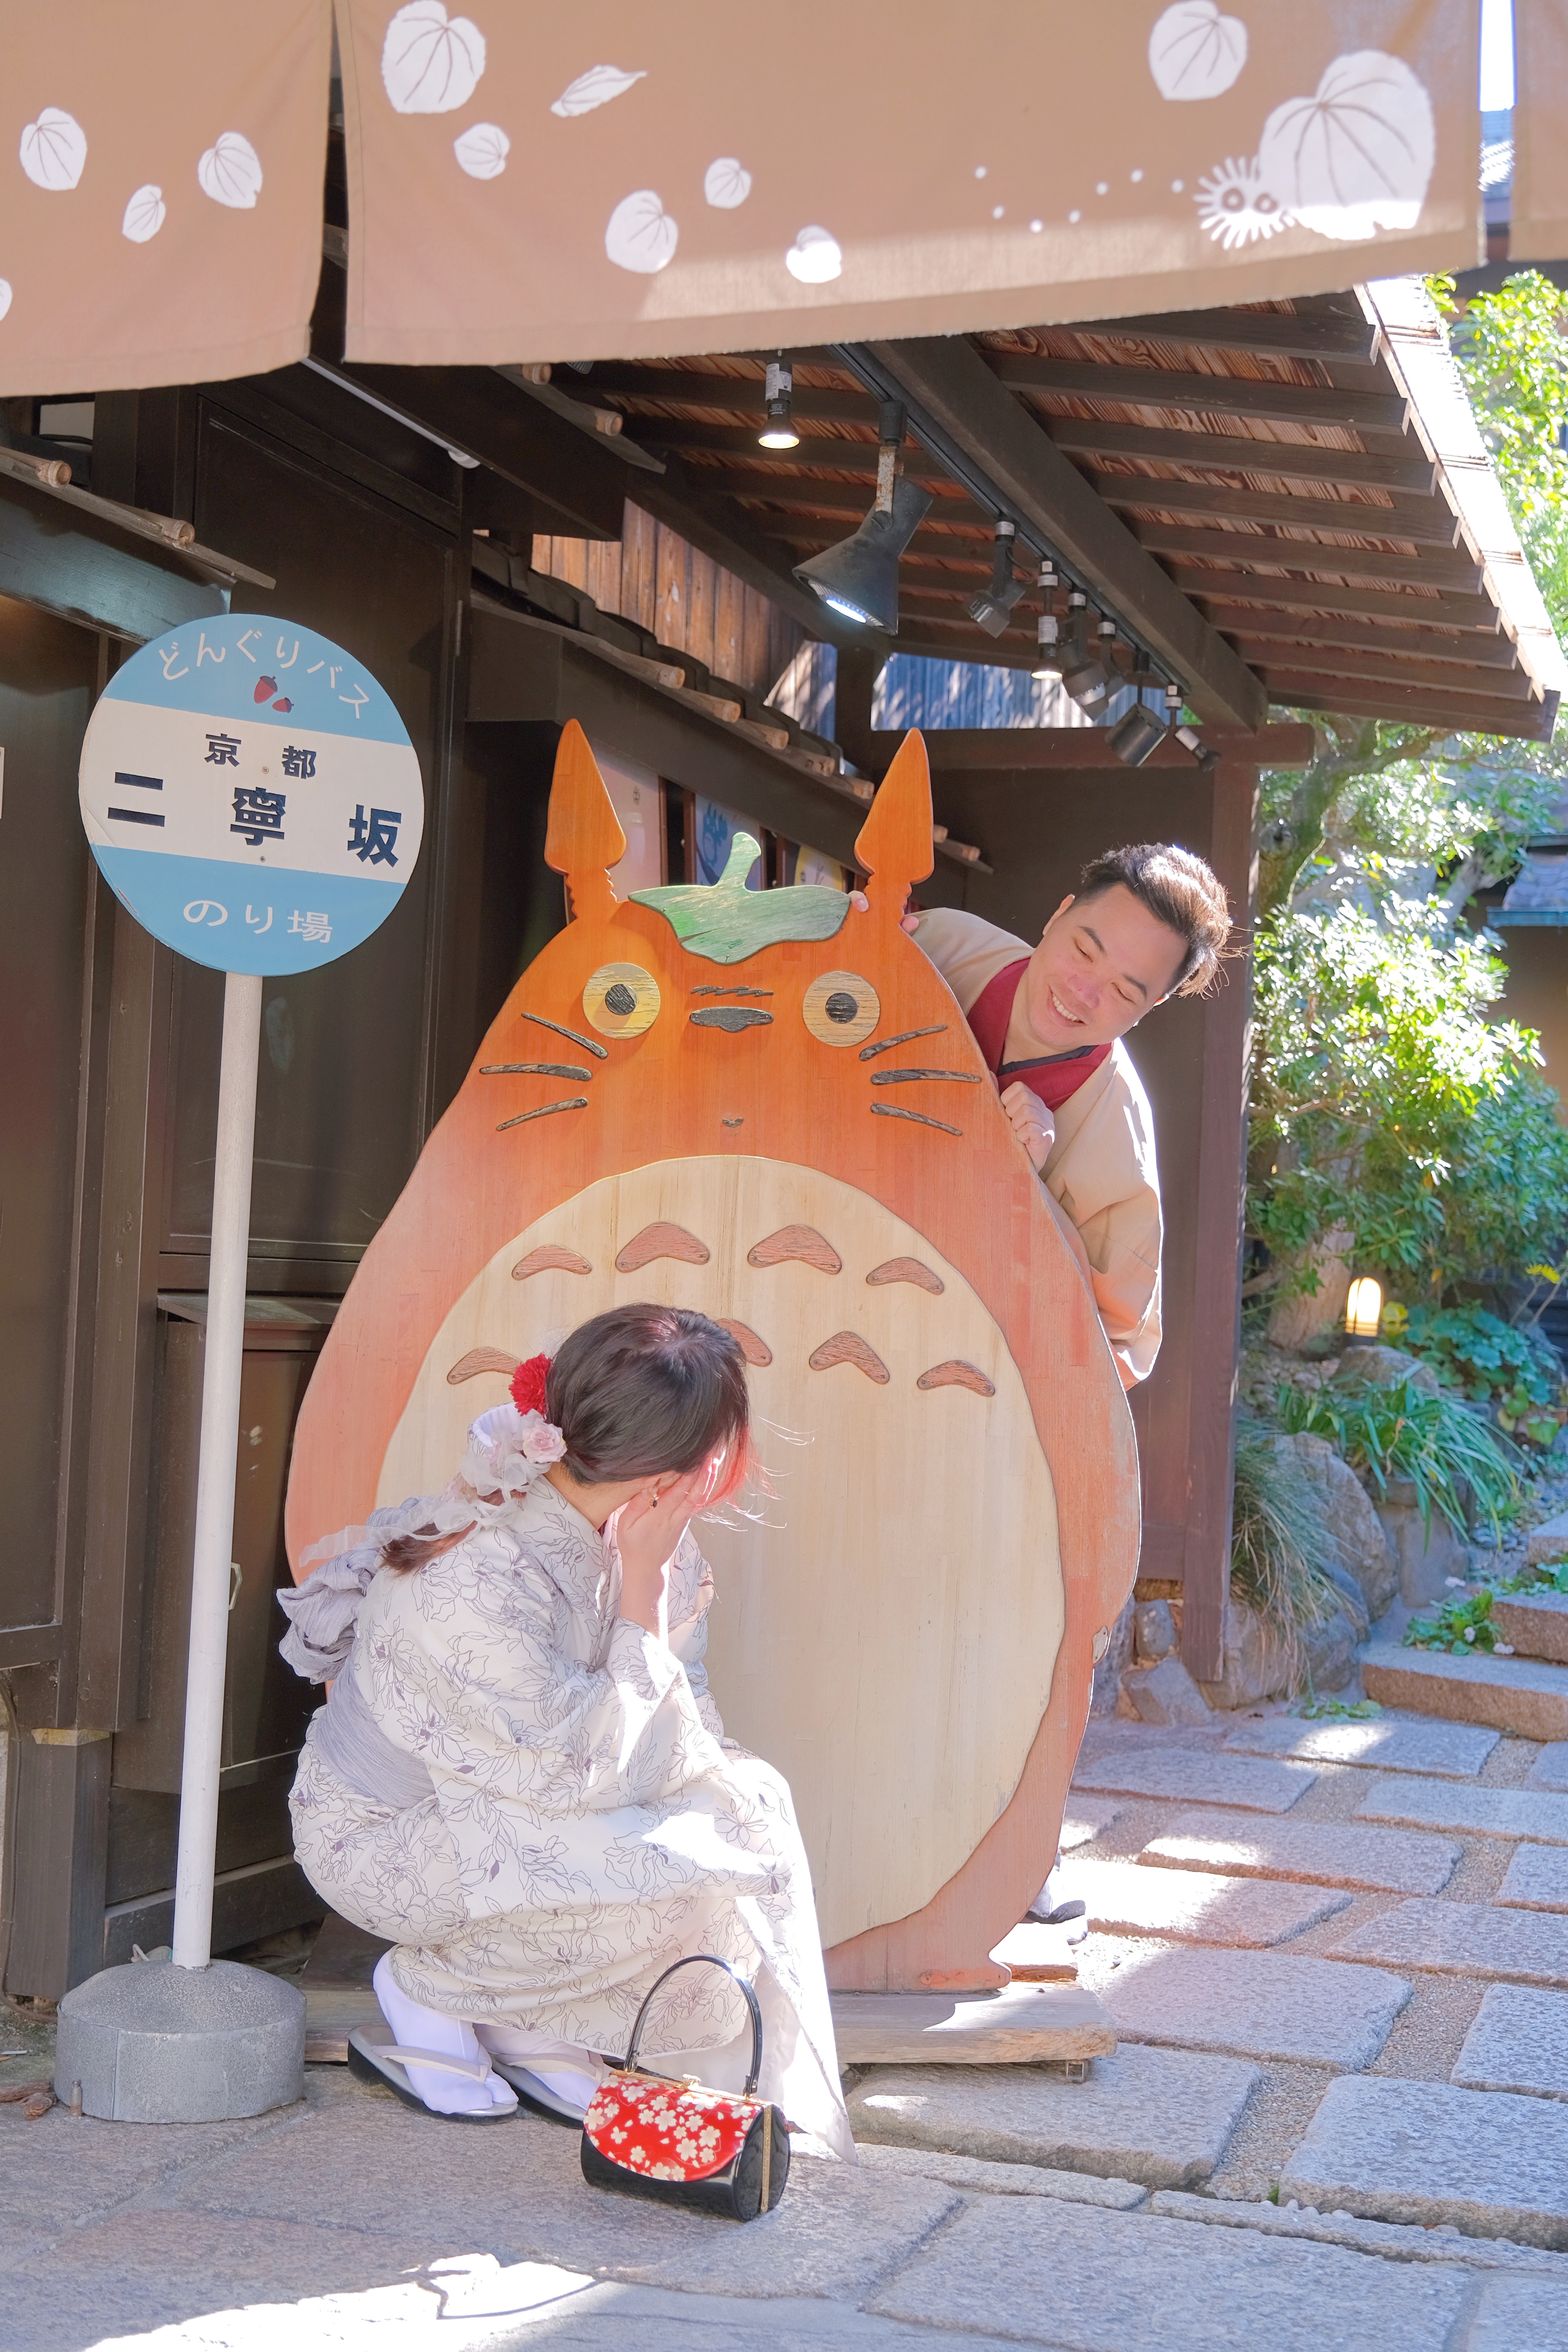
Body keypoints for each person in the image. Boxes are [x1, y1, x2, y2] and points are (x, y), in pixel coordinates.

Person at [278, 1303, 850, 2153]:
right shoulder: (473, 1574)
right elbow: (591, 1774)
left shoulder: (656, 1536)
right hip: (388, 1837)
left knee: (744, 1815)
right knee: (677, 1858)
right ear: (681, 1465)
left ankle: (527, 2028)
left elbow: (681, 1735)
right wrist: (644, 1595)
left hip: (517, 1805)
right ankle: (435, 1988)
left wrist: (653, 1588)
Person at [906, 843, 1231, 1389]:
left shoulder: (1122, 1157)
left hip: (943, 1377)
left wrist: (1029, 1195)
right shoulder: (940, 944)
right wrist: (840, 941)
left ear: (1149, 1009)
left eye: (1124, 991)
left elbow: (1110, 1360)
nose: (1082, 992)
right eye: (1084, 950)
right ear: (1059, 915)